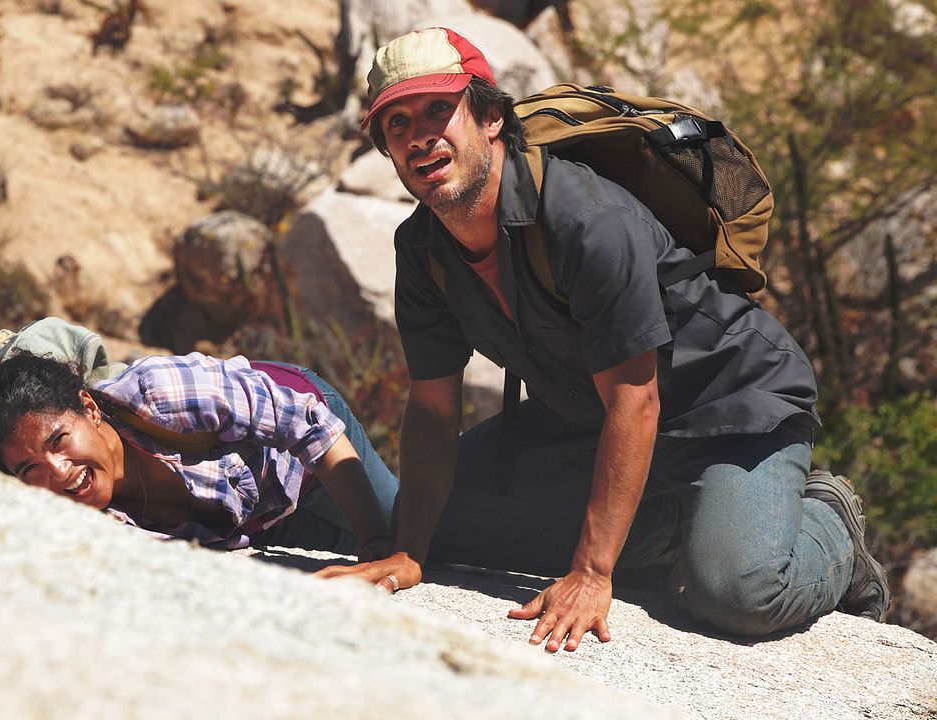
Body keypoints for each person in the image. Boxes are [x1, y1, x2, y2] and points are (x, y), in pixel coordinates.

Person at [318, 27, 889, 649]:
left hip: (726, 405)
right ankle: (683, 519)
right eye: (396, 124)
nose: (420, 135)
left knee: (736, 593)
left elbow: (635, 399)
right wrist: (408, 552)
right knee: (434, 527)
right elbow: (432, 407)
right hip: (586, 414)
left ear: (489, 118)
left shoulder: (584, 219)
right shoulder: (423, 248)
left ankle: (827, 521)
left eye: (438, 109)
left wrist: (592, 572)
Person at [0, 351, 397, 558]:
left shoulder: (157, 394)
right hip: (258, 517)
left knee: (415, 537)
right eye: (30, 469)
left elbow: (304, 424)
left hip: (308, 453)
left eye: (58, 441)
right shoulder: (88, 522)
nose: (58, 473)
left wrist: (379, 546)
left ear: (89, 407)